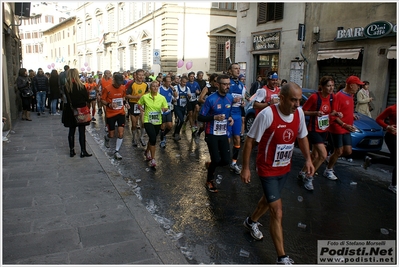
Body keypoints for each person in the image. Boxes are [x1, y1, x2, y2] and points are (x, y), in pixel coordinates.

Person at [240, 82, 314, 265]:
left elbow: (302, 136)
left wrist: (308, 159)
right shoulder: (267, 114)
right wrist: (246, 167)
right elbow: (249, 142)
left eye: (299, 100)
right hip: (267, 168)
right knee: (277, 210)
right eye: (293, 100)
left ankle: (250, 222)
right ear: (281, 98)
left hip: (285, 167)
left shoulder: (299, 113)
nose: (297, 104)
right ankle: (282, 257)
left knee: (268, 200)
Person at [297, 76, 342, 190]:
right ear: (322, 87)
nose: (331, 88)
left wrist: (337, 114)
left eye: (332, 85)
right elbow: (303, 111)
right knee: (323, 155)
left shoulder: (332, 97)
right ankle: (309, 178)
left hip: (324, 130)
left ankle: (302, 172)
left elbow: (332, 111)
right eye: (328, 86)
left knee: (315, 155)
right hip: (313, 129)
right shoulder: (314, 97)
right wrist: (315, 113)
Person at [198, 74, 234, 193]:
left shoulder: (230, 97)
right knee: (217, 159)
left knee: (225, 161)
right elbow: (200, 117)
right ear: (218, 85)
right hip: (211, 133)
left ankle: (211, 164)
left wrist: (231, 119)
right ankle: (209, 180)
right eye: (224, 84)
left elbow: (228, 113)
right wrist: (214, 117)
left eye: (228, 84)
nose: (227, 86)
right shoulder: (211, 99)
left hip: (223, 132)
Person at [324, 76, 362, 180]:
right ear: (351, 85)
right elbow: (333, 115)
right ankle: (328, 170)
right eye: (357, 85)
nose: (358, 87)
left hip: (347, 128)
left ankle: (330, 158)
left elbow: (345, 109)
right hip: (337, 127)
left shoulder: (351, 95)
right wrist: (344, 124)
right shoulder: (338, 96)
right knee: (339, 151)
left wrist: (352, 115)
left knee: (348, 151)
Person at [363, 104, 397, 193]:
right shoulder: (392, 109)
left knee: (393, 161)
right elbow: (378, 119)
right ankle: (394, 185)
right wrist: (388, 127)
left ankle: (371, 160)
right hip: (392, 137)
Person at [61, 68, 92, 158]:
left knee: (71, 131)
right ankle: (83, 151)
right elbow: (86, 98)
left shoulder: (66, 87)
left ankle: (72, 150)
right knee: (82, 131)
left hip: (70, 111)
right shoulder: (81, 86)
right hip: (81, 111)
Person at [138, 81, 169, 167]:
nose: (155, 88)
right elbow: (139, 104)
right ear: (150, 88)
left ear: (158, 88)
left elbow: (166, 107)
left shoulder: (162, 98)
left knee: (152, 138)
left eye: (156, 86)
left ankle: (147, 151)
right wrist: (141, 108)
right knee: (153, 138)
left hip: (157, 121)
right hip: (148, 120)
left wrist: (164, 109)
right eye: (153, 86)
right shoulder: (145, 97)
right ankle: (153, 159)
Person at [102, 73, 127, 160]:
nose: (119, 84)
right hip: (111, 114)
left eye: (120, 83)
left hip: (121, 113)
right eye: (117, 83)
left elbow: (123, 98)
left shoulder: (123, 88)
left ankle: (117, 151)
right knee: (112, 134)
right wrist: (109, 104)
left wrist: (126, 104)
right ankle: (107, 137)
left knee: (120, 133)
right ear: (114, 80)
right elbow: (102, 100)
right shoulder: (107, 88)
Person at [227, 63, 245, 175]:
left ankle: (234, 162)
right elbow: (223, 96)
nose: (238, 70)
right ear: (230, 71)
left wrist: (242, 102)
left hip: (237, 113)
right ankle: (222, 159)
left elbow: (242, 97)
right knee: (227, 140)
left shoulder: (241, 84)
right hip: (228, 113)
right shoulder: (227, 82)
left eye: (239, 69)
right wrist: (232, 100)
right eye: (235, 69)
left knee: (237, 139)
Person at [125, 69, 148, 147]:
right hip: (133, 104)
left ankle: (141, 137)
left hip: (141, 105)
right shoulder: (132, 85)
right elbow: (126, 95)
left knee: (143, 122)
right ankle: (134, 137)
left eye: (142, 75)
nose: (141, 76)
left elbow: (147, 93)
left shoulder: (145, 85)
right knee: (134, 124)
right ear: (136, 76)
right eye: (139, 75)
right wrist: (136, 97)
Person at [197, 73, 219, 141]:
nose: (216, 83)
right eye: (215, 81)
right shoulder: (207, 88)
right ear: (211, 81)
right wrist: (209, 103)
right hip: (208, 109)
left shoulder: (219, 89)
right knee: (204, 126)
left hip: (216, 110)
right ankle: (198, 133)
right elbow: (200, 99)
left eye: (218, 81)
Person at [158, 76, 175, 148]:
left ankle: (163, 134)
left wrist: (174, 90)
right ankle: (162, 140)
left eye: (170, 81)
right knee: (163, 126)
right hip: (161, 110)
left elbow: (176, 97)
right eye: (168, 81)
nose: (169, 83)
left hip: (168, 110)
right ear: (164, 82)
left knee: (170, 126)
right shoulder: (160, 89)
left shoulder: (171, 89)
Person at [172, 76, 190, 141]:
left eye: (185, 82)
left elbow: (189, 97)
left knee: (181, 121)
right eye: (183, 82)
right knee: (181, 120)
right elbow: (172, 96)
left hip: (183, 107)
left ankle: (175, 133)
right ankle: (177, 133)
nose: (184, 83)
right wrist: (174, 98)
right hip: (177, 106)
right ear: (180, 81)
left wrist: (189, 96)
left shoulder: (187, 88)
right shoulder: (176, 88)